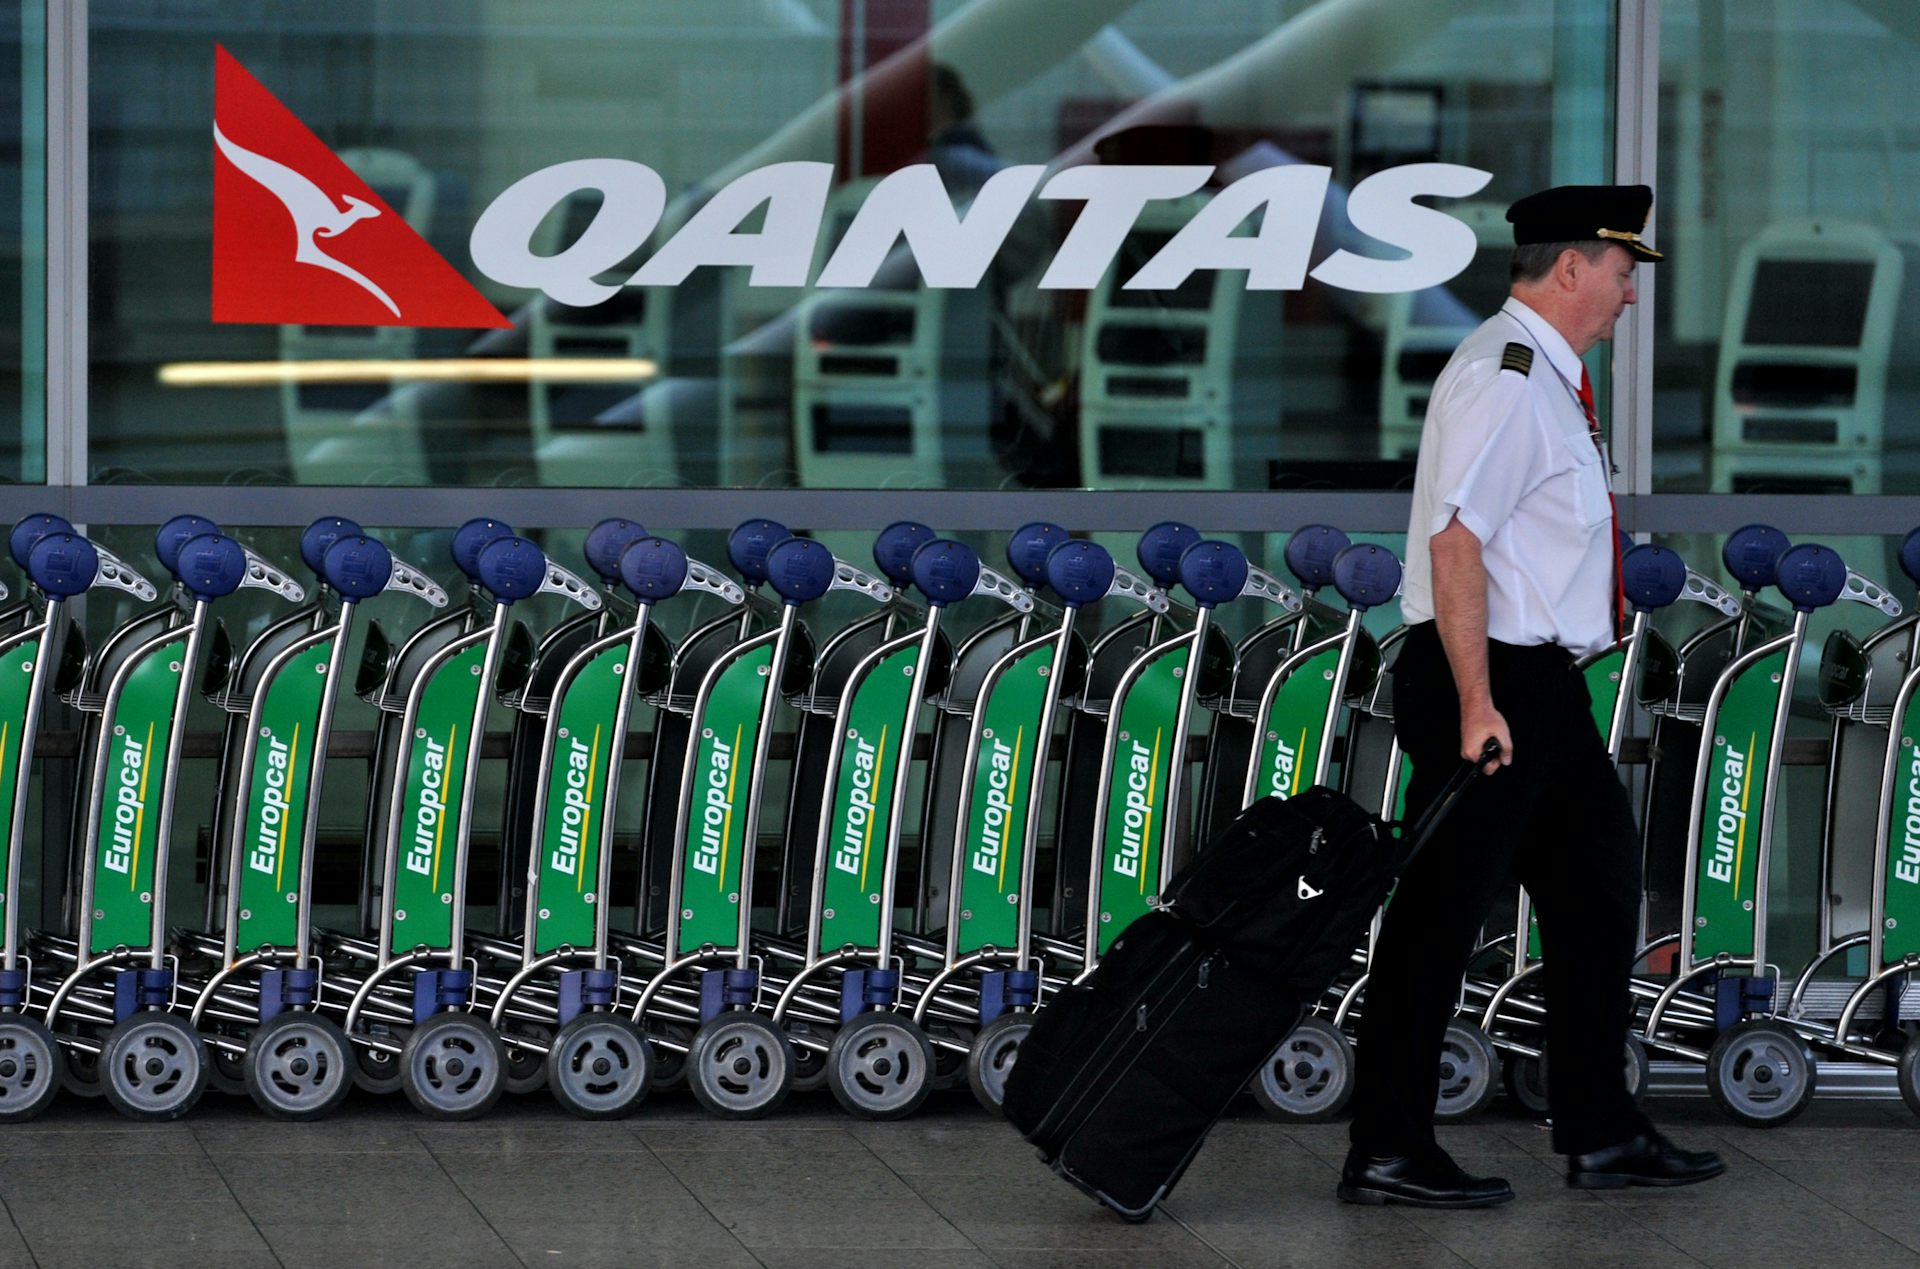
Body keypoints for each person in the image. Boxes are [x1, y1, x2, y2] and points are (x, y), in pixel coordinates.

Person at [1337, 185, 1726, 1208]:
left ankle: (1600, 1129)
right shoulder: (1508, 379)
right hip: (1491, 680)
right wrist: (1477, 704)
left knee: (1598, 899)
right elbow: (1455, 542)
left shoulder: (1543, 377)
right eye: (1623, 270)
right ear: (1572, 269)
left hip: (1538, 685)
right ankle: (1387, 1146)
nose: (1630, 294)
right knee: (1441, 919)